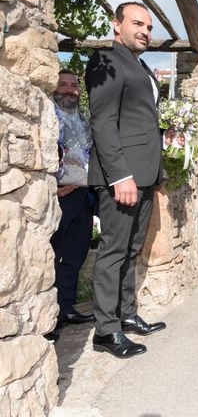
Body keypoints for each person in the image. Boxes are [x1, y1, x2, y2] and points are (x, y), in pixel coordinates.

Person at [86, 2, 166, 359]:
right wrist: (120, 175)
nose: (145, 32)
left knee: (131, 251)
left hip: (145, 174)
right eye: (138, 24)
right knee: (113, 251)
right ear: (116, 25)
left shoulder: (141, 65)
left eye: (148, 27)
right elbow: (103, 122)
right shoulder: (106, 60)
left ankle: (126, 314)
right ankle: (106, 330)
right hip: (122, 176)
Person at [46, 71, 96, 343]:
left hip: (83, 196)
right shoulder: (48, 116)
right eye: (63, 84)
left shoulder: (83, 118)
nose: (69, 90)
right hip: (60, 195)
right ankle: (48, 316)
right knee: (52, 256)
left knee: (75, 256)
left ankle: (66, 308)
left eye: (74, 86)